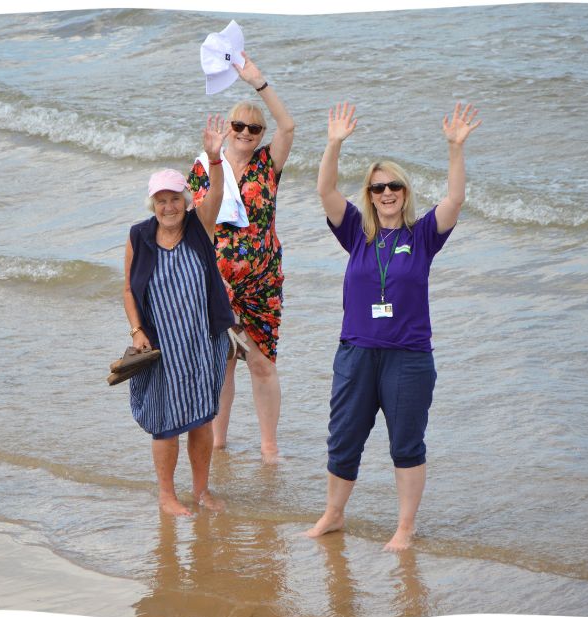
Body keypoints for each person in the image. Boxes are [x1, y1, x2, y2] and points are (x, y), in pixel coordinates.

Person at [305, 101, 482, 550]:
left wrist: (455, 149)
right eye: (378, 187)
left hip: (408, 357)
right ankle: (333, 514)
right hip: (356, 353)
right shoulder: (355, 233)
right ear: (368, 194)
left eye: (394, 187)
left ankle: (405, 527)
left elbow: (456, 199)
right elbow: (325, 190)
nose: (386, 193)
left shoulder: (421, 236)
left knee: (406, 444)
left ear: (405, 192)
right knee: (343, 438)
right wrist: (334, 143)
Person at [123, 115, 234, 517]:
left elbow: (217, 196)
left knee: (202, 418)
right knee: (165, 421)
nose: (168, 206)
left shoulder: (198, 225)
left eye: (175, 198)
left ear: (186, 200)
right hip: (160, 345)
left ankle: (202, 492)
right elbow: (128, 290)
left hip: (202, 341)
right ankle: (167, 496)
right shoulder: (139, 236)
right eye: (161, 200)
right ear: (152, 203)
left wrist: (215, 158)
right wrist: (137, 331)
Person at [187, 51, 295, 463]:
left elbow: (289, 125)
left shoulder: (269, 163)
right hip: (217, 278)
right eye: (239, 125)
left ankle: (269, 448)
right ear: (227, 129)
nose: (246, 132)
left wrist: (258, 82)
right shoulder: (205, 167)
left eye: (254, 127)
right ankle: (218, 443)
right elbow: (199, 223)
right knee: (223, 363)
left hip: (263, 280)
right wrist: (215, 159)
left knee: (261, 361)